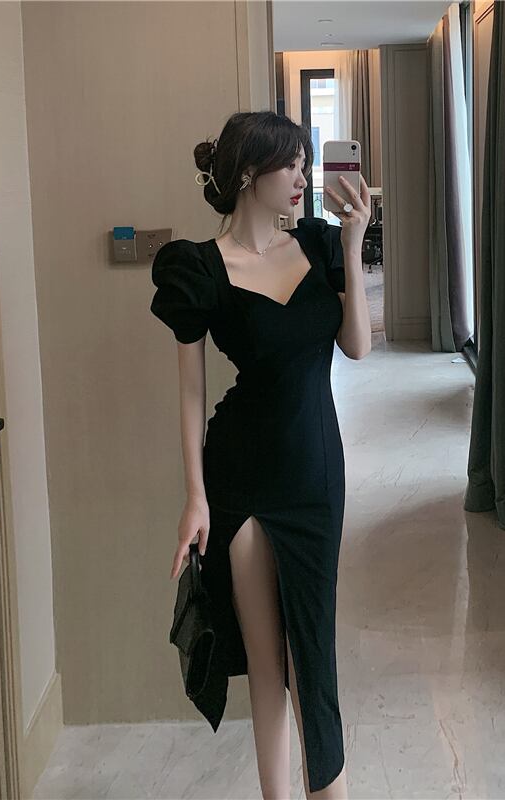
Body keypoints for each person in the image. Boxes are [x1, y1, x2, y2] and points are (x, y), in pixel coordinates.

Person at [149, 110, 372, 799]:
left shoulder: (317, 242)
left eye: (307, 164)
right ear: (250, 173)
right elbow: (191, 394)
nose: (305, 177)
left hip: (314, 475)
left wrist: (354, 244)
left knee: (314, 658)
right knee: (268, 667)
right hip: (241, 477)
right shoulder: (200, 269)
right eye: (292, 165)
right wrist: (196, 497)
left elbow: (358, 345)